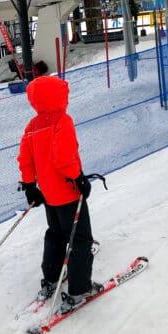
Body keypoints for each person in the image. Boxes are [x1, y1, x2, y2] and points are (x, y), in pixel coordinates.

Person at [17, 75, 103, 314]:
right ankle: (79, 289)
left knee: (56, 234)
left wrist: (29, 185)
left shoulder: (33, 126)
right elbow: (64, 157)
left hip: (49, 196)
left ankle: (51, 278)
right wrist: (79, 179)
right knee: (80, 240)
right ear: (57, 97)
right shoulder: (62, 121)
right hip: (67, 192)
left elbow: (26, 158)